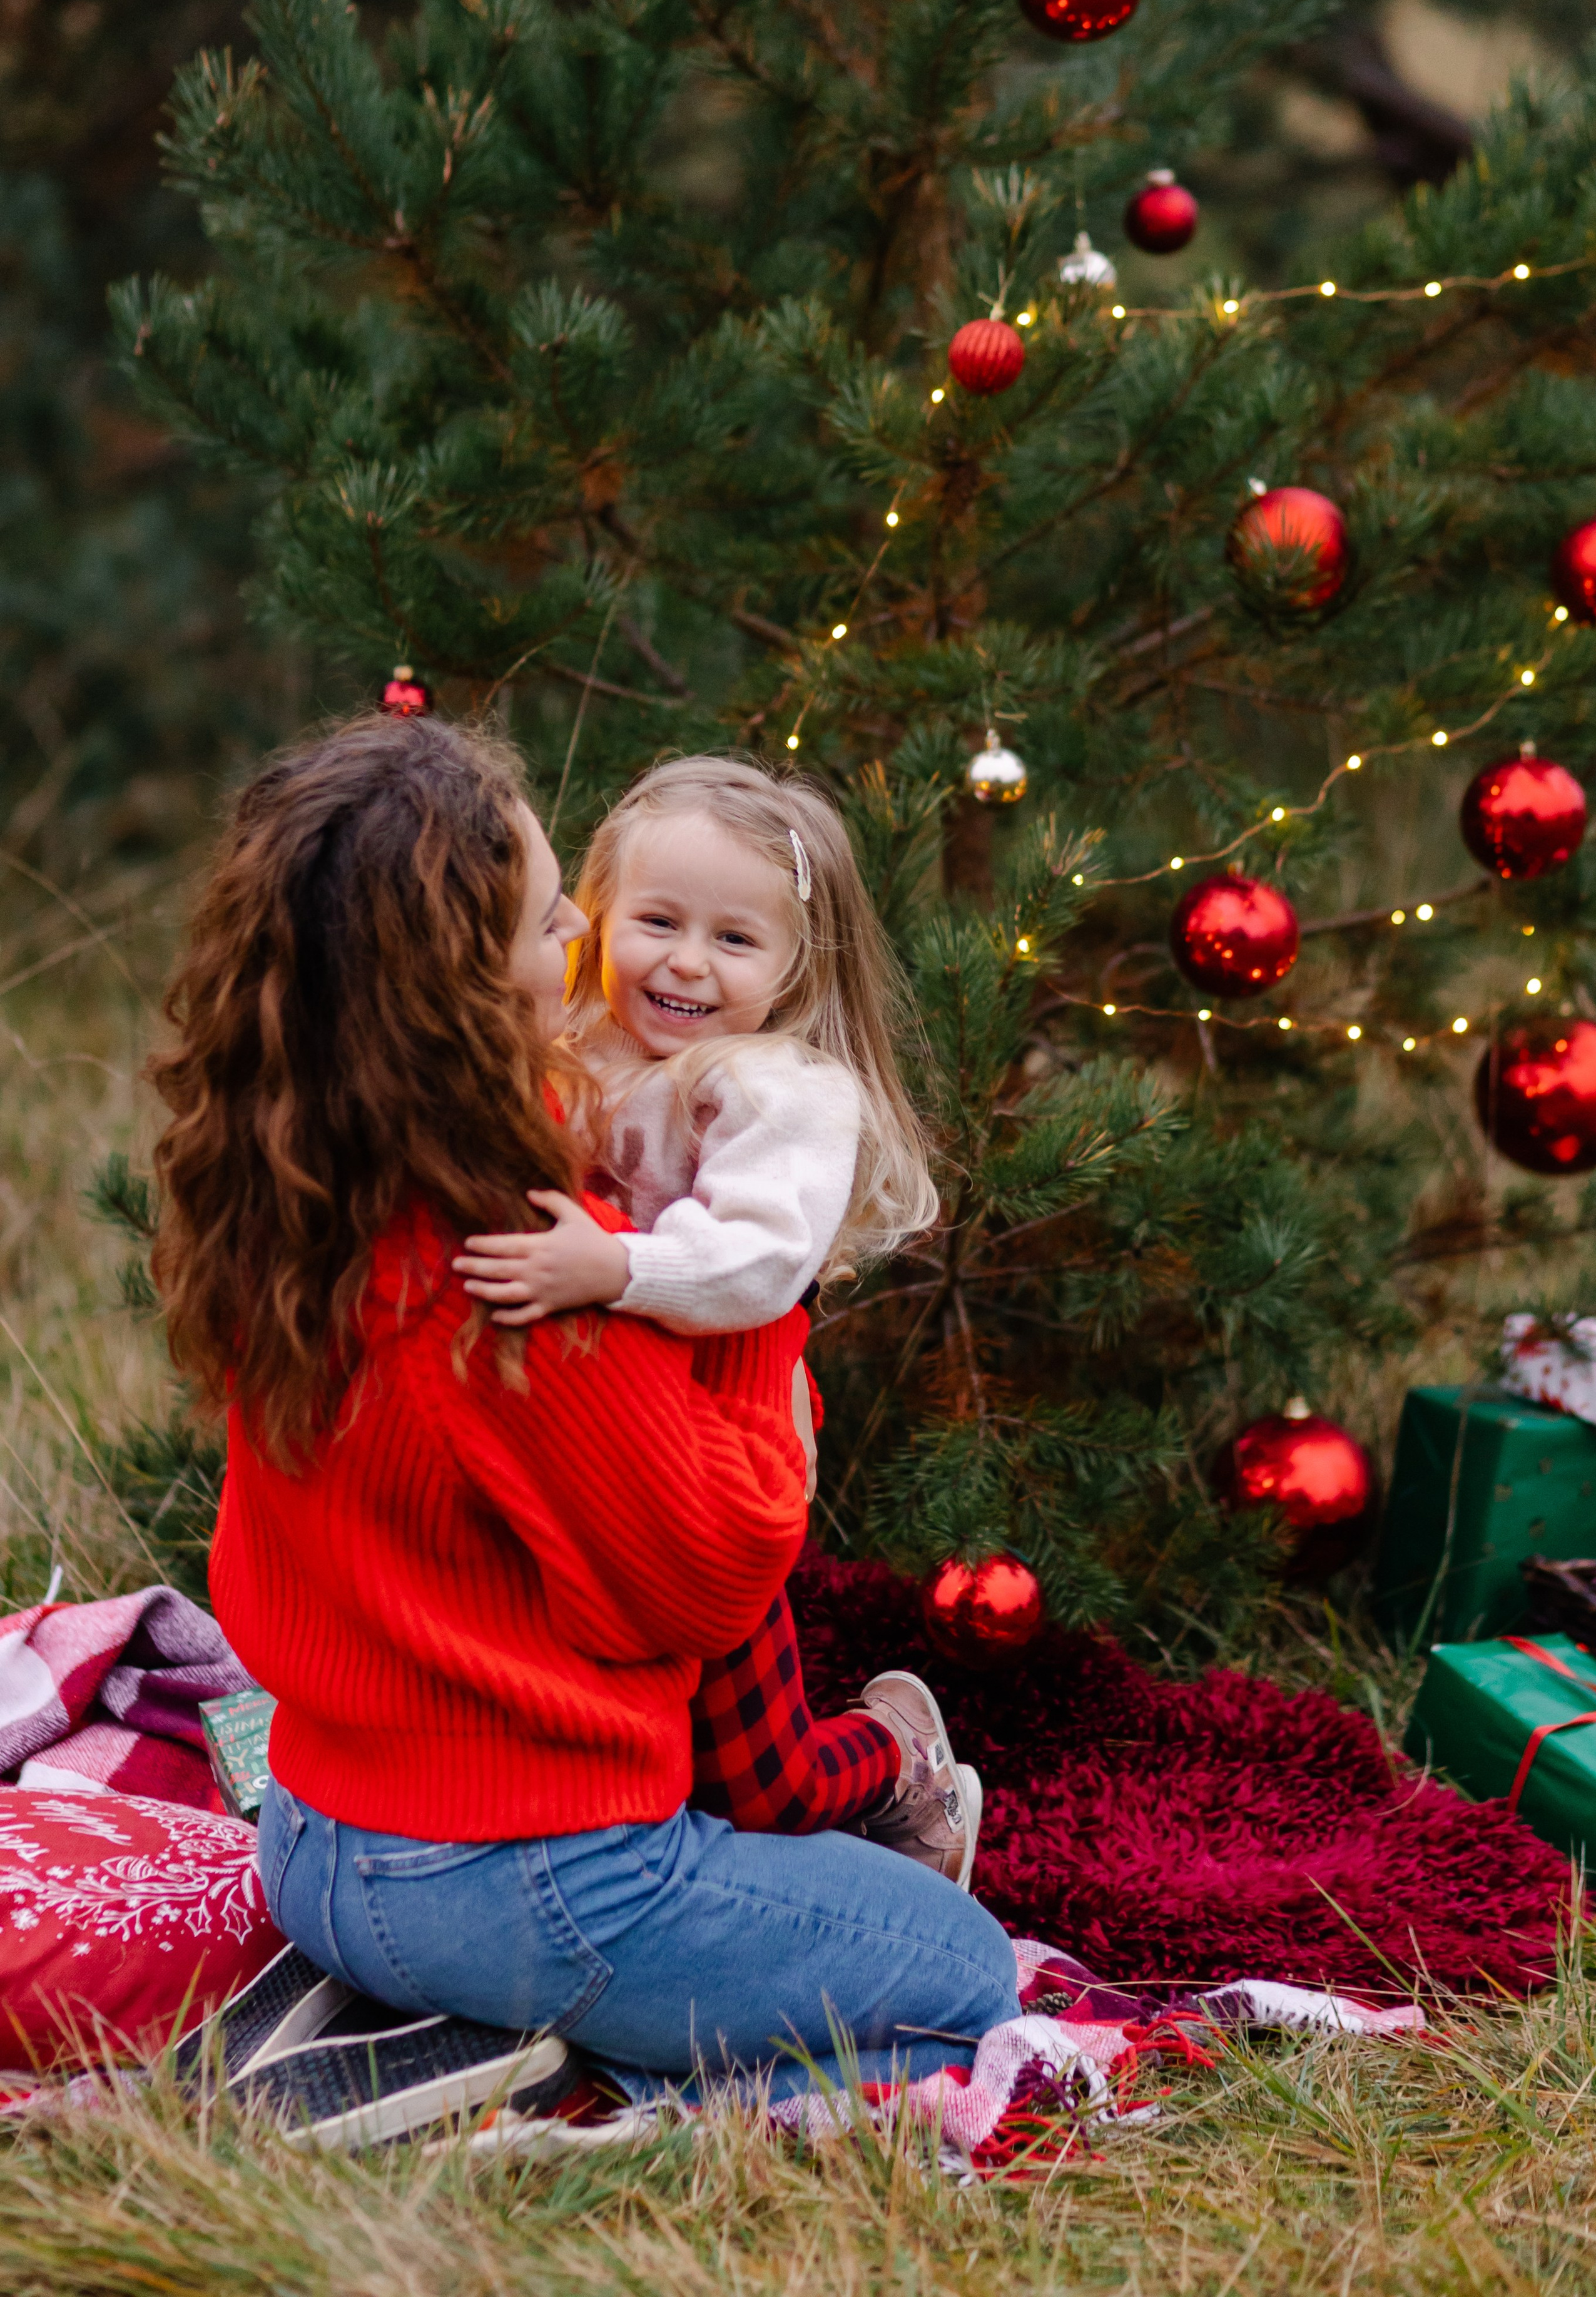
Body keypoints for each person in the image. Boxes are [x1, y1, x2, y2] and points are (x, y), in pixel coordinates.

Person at [150, 715, 1020, 2116]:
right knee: (964, 1977)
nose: (589, 939)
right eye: (560, 914)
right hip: (513, 1872)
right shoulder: (520, 1256)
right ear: (458, 976)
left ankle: (440, 2014)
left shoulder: (293, 1172)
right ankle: (570, 2094)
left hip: (314, 1836)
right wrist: (751, 1323)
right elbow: (701, 1579)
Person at [451, 757, 981, 1885]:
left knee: (758, 1781)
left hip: (728, 1444)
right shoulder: (584, 1041)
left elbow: (757, 1261)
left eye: (735, 941)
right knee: (642, 1716)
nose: (686, 960)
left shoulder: (771, 1089)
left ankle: (899, 1755)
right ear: (594, 915)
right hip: (618, 1440)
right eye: (656, 919)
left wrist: (614, 1266)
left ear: (796, 969)